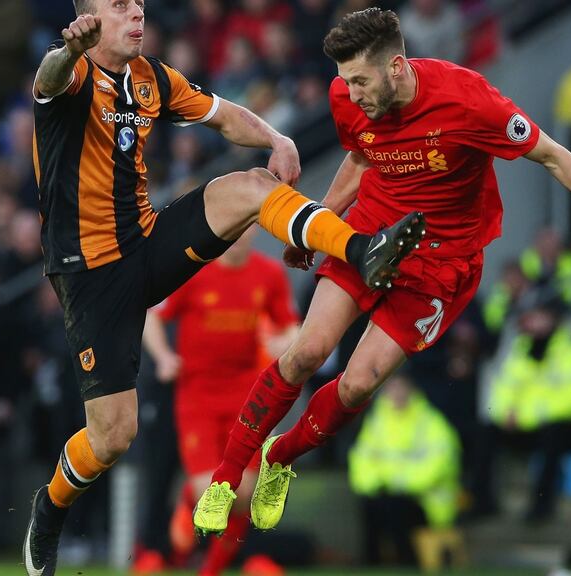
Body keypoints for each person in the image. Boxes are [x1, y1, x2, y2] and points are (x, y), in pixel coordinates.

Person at [192, 8, 571, 536]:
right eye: (344, 82)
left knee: (357, 387)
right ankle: (225, 477)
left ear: (396, 67)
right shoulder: (347, 97)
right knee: (308, 352)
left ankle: (281, 456)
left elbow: (554, 156)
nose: (350, 94)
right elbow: (360, 157)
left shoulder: (470, 101)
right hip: (371, 238)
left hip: (442, 264)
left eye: (359, 81)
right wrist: (318, 224)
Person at [22, 2, 427, 574]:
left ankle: (362, 248)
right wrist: (67, 49)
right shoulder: (72, 74)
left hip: (147, 244)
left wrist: (277, 136)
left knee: (253, 185)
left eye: (138, 3)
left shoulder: (150, 78)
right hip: (90, 274)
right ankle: (51, 507)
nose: (136, 12)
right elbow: (47, 79)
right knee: (113, 437)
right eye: (118, 6)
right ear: (88, 17)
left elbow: (219, 114)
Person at [141, 228, 298, 575]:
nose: (239, 236)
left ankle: (211, 569)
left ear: (255, 230)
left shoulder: (269, 274)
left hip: (248, 397)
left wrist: (284, 343)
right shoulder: (193, 272)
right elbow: (151, 315)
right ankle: (188, 499)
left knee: (241, 496)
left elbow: (292, 327)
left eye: (246, 228)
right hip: (197, 396)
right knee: (208, 491)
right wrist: (164, 357)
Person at [470, 291, 571, 522]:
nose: (530, 323)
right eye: (528, 317)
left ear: (554, 318)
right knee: (486, 430)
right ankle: (483, 502)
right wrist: (505, 415)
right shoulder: (521, 351)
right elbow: (502, 391)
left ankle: (541, 508)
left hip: (570, 430)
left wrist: (524, 416)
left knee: (555, 434)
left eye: (537, 316)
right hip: (527, 424)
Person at [348, 373, 460, 566]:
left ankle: (406, 562)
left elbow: (438, 465)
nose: (397, 394)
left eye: (401, 388)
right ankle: (371, 562)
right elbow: (361, 458)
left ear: (412, 390)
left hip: (427, 501)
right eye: (392, 388)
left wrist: (393, 481)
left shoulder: (431, 421)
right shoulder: (377, 421)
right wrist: (373, 485)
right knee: (372, 504)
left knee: (396, 506)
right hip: (389, 492)